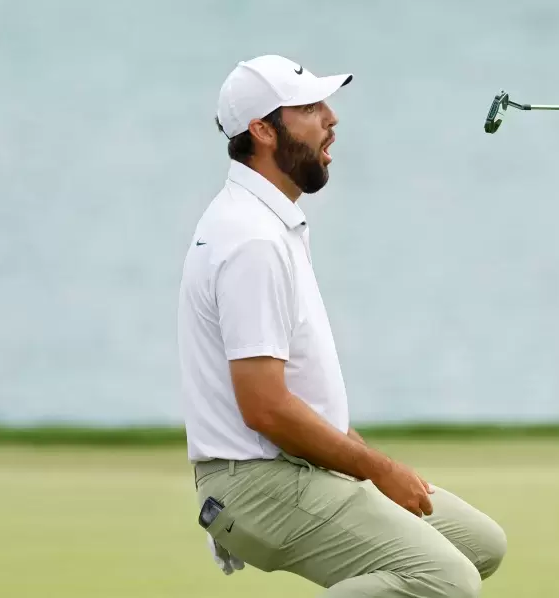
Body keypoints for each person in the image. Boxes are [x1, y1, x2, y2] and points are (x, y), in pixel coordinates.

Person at [176, 54, 507, 597]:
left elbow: (299, 394)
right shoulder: (252, 239)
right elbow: (265, 408)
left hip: (291, 467)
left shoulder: (264, 221)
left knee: (478, 544)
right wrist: (376, 469)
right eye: (309, 108)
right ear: (262, 130)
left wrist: (359, 456)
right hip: (258, 481)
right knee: (445, 582)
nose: (331, 118)